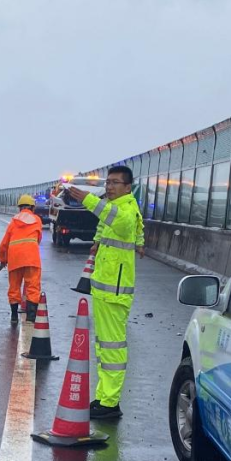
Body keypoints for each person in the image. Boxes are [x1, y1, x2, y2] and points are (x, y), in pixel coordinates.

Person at [65, 166, 139, 419]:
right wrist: (97, 242)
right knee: (104, 348)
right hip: (105, 290)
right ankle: (104, 397)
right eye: (108, 182)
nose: (109, 187)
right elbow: (108, 225)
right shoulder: (117, 207)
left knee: (112, 349)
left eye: (115, 183)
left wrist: (88, 199)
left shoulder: (126, 209)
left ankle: (110, 403)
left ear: (128, 187)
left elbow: (119, 222)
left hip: (114, 293)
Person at [0, 194, 44, 324]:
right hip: (31, 258)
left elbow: (4, 244)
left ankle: (14, 316)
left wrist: (3, 259)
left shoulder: (13, 222)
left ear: (19, 208)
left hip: (15, 258)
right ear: (32, 208)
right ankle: (31, 317)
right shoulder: (37, 220)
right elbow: (39, 238)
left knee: (14, 287)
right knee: (32, 287)